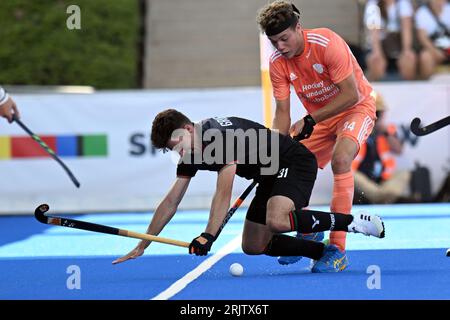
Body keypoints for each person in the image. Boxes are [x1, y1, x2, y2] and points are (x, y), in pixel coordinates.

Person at [113, 110, 385, 271]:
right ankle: (321, 250)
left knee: (277, 220)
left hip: (294, 162)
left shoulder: (217, 138)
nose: (180, 153)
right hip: (268, 174)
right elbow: (171, 201)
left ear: (187, 128)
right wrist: (143, 244)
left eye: (179, 144)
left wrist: (208, 235)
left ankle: (353, 224)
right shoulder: (190, 150)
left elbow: (224, 191)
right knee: (254, 246)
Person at [256, 1, 377, 272]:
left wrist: (310, 119)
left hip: (355, 109)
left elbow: (351, 95)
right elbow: (282, 112)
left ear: (298, 27)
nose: (281, 47)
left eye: (285, 38)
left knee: (341, 159)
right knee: (292, 162)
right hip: (321, 119)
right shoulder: (277, 62)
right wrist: (277, 147)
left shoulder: (326, 42)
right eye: (274, 42)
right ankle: (307, 230)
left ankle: (338, 249)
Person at [352, 92, 411, 204]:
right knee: (351, 175)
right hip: (364, 177)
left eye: (378, 113)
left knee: (404, 173)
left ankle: (380, 196)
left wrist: (385, 132)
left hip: (383, 178)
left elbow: (398, 150)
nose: (376, 117)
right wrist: (367, 127)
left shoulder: (388, 130)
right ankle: (384, 198)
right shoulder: (357, 127)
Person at [363, 0, 418, 80]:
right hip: (379, 47)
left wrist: (406, 50)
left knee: (409, 59)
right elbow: (374, 33)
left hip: (398, 48)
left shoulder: (403, 3)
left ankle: (407, 89)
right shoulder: (373, 4)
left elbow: (406, 29)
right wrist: (378, 53)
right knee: (375, 62)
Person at [415, 0, 450, 79]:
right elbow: (422, 37)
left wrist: (447, 51)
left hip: (448, 48)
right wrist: (435, 52)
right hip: (432, 48)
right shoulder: (422, 12)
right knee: (425, 57)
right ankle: (427, 86)